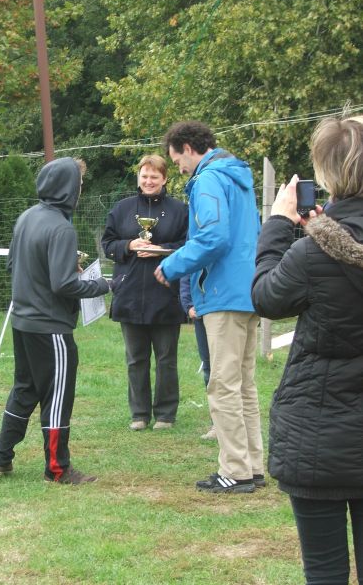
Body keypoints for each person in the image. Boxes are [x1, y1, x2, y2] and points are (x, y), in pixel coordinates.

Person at [251, 115, 363, 584]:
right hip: (327, 430)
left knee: (324, 570)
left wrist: (278, 224)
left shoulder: (311, 253)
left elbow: (266, 297)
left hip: (320, 433)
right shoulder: (318, 246)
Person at [154, 120, 264, 493]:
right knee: (243, 384)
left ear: (187, 147)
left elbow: (212, 237)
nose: (179, 169)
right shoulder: (239, 179)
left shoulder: (208, 179)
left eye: (177, 160)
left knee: (223, 385)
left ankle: (235, 470)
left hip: (222, 294)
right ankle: (252, 464)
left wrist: (171, 265)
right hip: (248, 291)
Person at [0, 157, 110, 484]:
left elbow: (13, 265)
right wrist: (102, 284)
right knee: (56, 396)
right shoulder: (61, 227)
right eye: (79, 183)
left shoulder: (27, 217)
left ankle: (0, 457)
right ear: (68, 187)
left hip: (22, 322)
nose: (80, 189)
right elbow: (63, 285)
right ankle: (58, 468)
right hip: (51, 327)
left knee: (24, 389)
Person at [101, 154, 188, 430]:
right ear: (138, 177)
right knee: (135, 359)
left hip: (165, 293)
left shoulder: (179, 210)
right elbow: (108, 243)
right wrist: (129, 246)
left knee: (166, 358)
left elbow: (188, 245)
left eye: (154, 176)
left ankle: (165, 414)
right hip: (129, 293)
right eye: (144, 175)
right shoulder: (122, 208)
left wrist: (162, 251)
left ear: (164, 179)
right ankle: (139, 413)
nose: (148, 181)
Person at [179, 275, 215, 440]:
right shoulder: (194, 247)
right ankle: (217, 422)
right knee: (208, 367)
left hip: (224, 308)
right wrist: (189, 305)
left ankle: (234, 422)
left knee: (227, 368)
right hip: (201, 311)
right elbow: (188, 274)